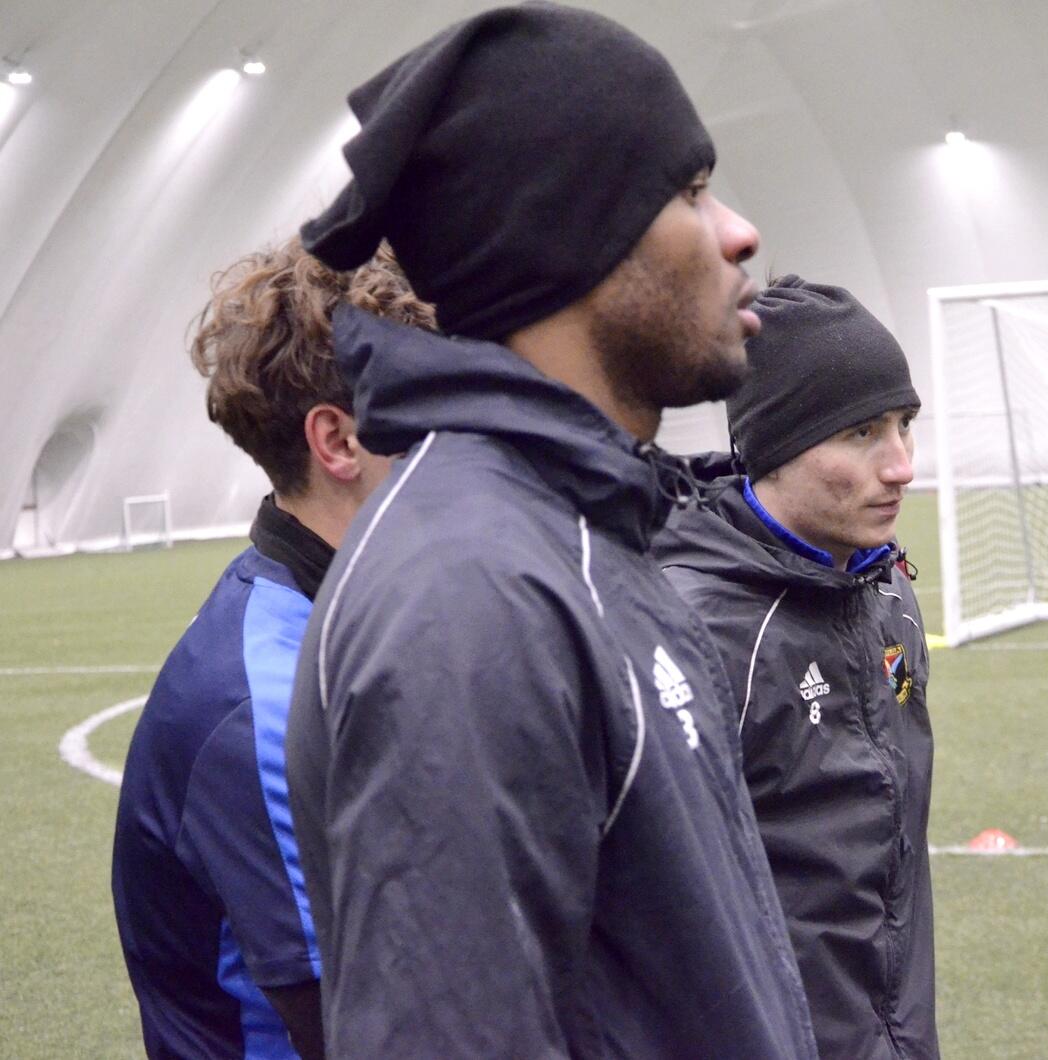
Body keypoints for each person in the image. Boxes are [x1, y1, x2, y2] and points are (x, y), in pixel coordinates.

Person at [282, 6, 817, 1057]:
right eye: (691, 190)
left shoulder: (578, 527)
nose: (739, 232)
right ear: (566, 238)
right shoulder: (469, 591)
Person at [110, 238, 434, 1060]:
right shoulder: (265, 704)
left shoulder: (348, 613)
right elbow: (367, 1030)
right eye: (435, 416)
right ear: (339, 443)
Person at [655, 275, 938, 1059]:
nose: (901, 465)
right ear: (776, 445)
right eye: (862, 433)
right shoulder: (692, 627)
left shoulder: (885, 587)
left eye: (905, 426)